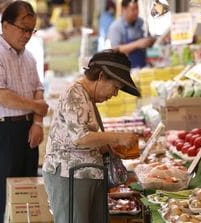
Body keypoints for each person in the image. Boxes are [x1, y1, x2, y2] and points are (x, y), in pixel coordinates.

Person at [42, 49, 140, 223]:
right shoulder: (74, 93)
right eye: (115, 87)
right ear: (101, 76)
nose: (115, 94)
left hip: (85, 175)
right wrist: (117, 137)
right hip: (70, 176)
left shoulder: (86, 97)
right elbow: (79, 138)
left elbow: (83, 136)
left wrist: (106, 146)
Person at [0, 1, 49, 222]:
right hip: (2, 132)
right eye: (23, 29)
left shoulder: (29, 57)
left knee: (27, 191)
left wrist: (37, 123)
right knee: (0, 193)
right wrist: (36, 107)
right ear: (5, 25)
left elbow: (38, 90)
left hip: (28, 131)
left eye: (31, 30)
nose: (27, 35)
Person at [107, 0, 155, 68]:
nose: (136, 12)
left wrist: (150, 41)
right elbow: (115, 50)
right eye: (133, 9)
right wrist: (137, 44)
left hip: (142, 68)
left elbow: (148, 37)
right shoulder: (116, 27)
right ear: (124, 10)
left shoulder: (140, 22)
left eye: (137, 8)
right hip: (125, 70)